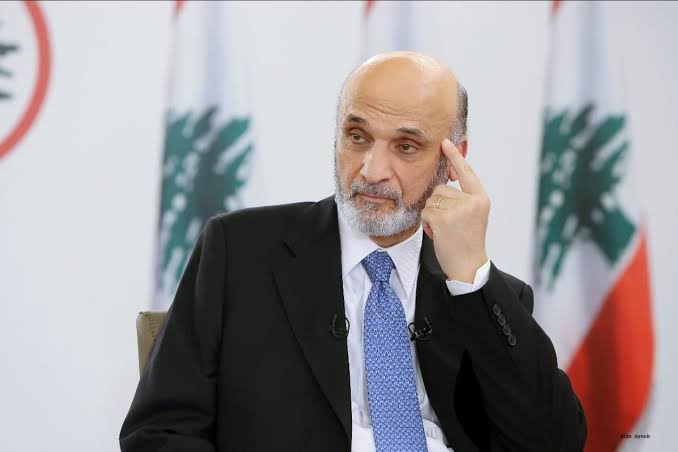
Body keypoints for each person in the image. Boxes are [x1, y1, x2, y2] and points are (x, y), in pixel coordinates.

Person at [120, 52, 586, 452]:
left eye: (406, 146)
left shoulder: (486, 297)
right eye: (357, 137)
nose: (371, 170)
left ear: (453, 159)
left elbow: (554, 442)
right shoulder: (239, 253)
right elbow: (160, 432)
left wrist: (472, 279)